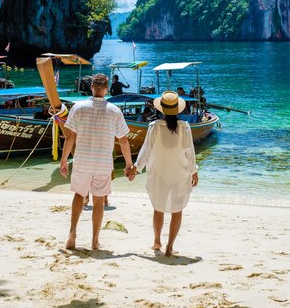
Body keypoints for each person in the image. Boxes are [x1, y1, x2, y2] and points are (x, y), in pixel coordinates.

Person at [59, 73, 134, 250]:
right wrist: (129, 165)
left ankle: (72, 233)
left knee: (78, 195)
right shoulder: (114, 111)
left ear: (92, 88)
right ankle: (94, 241)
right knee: (99, 201)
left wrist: (63, 160)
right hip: (102, 164)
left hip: (82, 161)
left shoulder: (78, 108)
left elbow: (70, 137)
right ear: (106, 89)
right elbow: (123, 140)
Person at [129, 91, 198, 256]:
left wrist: (136, 168)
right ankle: (170, 246)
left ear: (162, 109)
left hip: (158, 173)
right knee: (177, 209)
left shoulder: (154, 126)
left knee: (158, 208)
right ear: (178, 110)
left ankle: (157, 241)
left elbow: (146, 150)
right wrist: (193, 171)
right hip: (179, 172)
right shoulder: (184, 127)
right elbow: (190, 152)